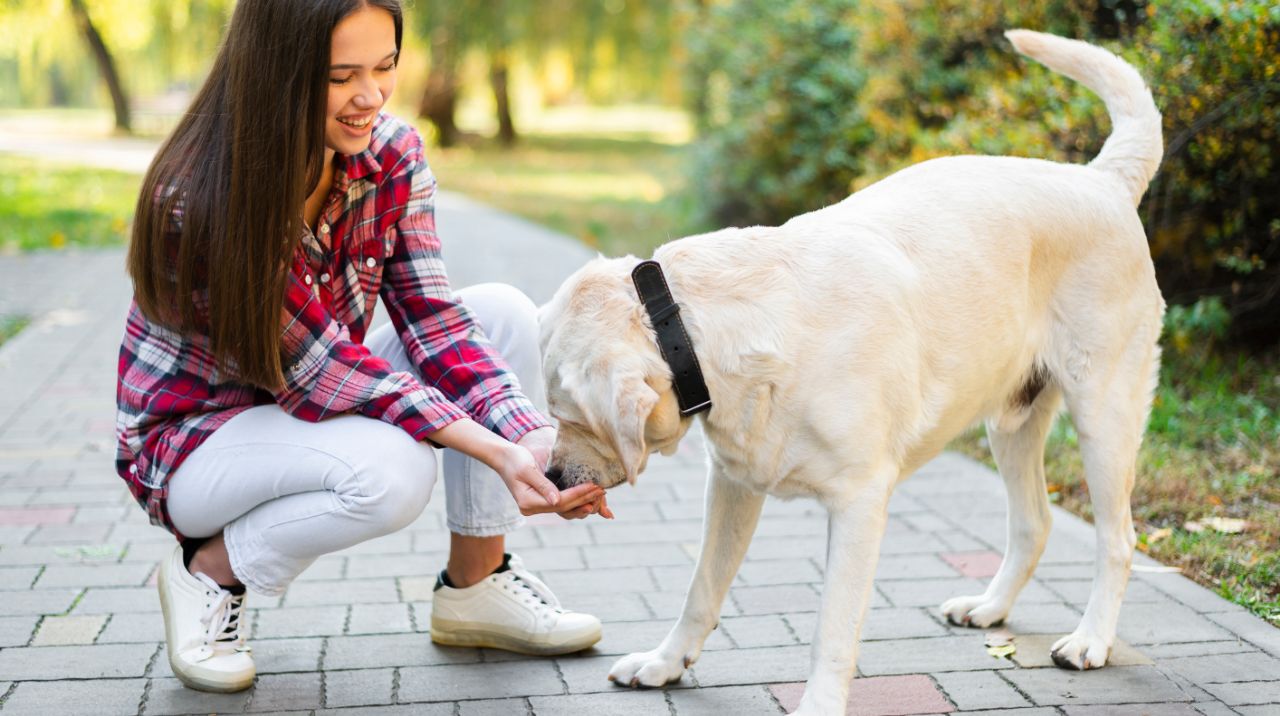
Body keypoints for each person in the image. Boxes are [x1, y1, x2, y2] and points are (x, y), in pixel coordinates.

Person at [116, 0, 610, 694]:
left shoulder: (390, 153)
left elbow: (432, 320)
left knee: (502, 313)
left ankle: (477, 585)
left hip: (306, 401)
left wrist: (531, 440)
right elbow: (321, 372)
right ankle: (210, 572)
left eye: (384, 67)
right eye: (340, 76)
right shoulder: (204, 195)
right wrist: (493, 450)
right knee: (393, 470)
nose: (371, 96)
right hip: (196, 443)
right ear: (275, 72)